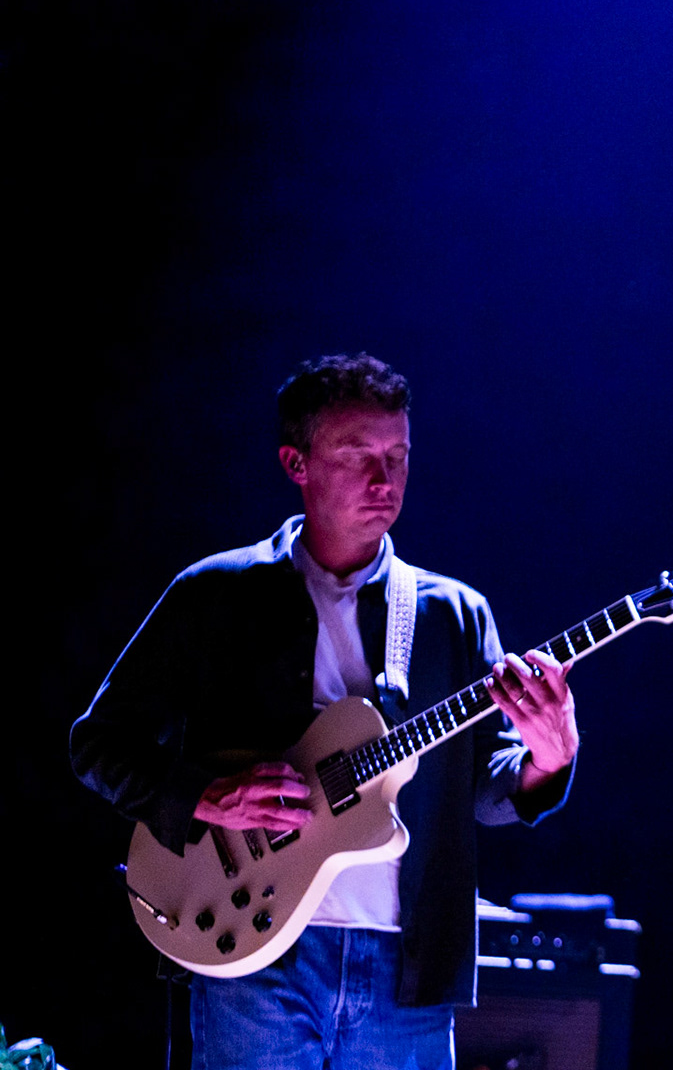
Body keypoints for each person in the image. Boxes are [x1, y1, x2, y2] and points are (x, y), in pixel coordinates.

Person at [72, 354, 580, 1068]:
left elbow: (484, 793)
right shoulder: (214, 595)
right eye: (357, 455)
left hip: (406, 969)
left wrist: (549, 757)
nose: (384, 479)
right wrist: (206, 797)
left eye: (398, 456)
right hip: (252, 955)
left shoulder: (453, 615)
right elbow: (98, 745)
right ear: (296, 463)